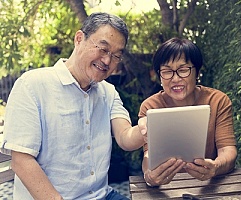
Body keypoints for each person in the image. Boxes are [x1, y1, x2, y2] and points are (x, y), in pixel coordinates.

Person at [0, 12, 144, 200]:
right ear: (79, 39)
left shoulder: (108, 92)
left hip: (101, 195)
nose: (108, 61)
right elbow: (21, 161)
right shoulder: (32, 85)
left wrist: (148, 127)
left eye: (116, 56)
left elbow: (125, 137)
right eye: (102, 48)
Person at [138, 37, 237, 187]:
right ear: (160, 76)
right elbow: (148, 154)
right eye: (167, 71)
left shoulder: (218, 101)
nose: (175, 78)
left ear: (197, 73)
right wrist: (149, 176)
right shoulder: (150, 106)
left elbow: (228, 150)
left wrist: (215, 167)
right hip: (167, 187)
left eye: (183, 70)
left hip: (210, 185)